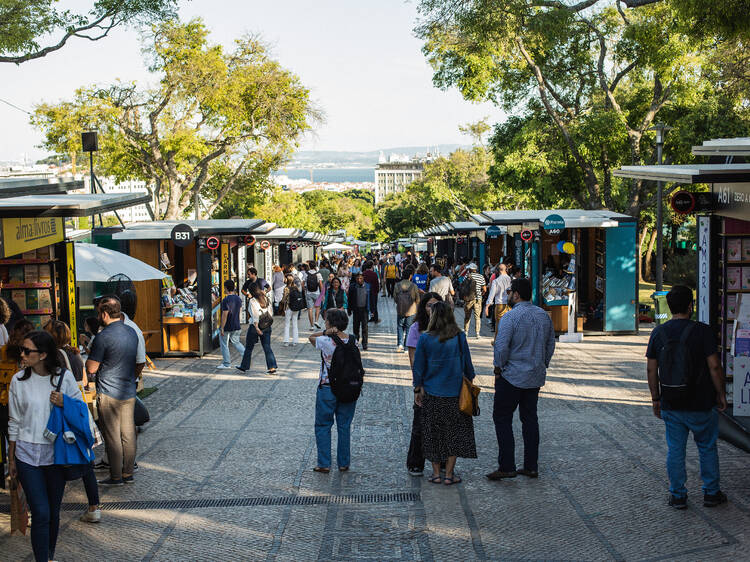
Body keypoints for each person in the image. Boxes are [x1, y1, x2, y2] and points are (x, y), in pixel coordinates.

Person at [645, 285, 728, 509]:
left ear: (670, 307)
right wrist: (721, 394)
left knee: (675, 450)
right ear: (691, 306)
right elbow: (714, 367)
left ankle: (678, 495)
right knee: (707, 447)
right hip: (702, 402)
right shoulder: (703, 331)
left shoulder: (658, 333)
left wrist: (656, 398)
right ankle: (711, 493)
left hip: (672, 402)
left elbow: (652, 369)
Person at [7, 330, 83, 561]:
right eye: (22, 349)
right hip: (26, 454)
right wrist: (11, 459)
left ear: (42, 355)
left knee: (52, 510)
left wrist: (65, 402)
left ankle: (49, 554)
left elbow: (81, 412)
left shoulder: (63, 378)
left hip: (56, 453)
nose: (22, 354)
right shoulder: (18, 381)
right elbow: (14, 422)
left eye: (27, 351)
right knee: (40, 512)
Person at [488, 278, 555, 481]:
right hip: (534, 376)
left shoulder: (510, 318)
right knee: (530, 420)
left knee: (502, 418)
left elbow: (501, 348)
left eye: (509, 292)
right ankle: (531, 465)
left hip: (512, 376)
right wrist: (543, 364)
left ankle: (507, 465)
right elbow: (550, 344)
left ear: (516, 294)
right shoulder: (543, 316)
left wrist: (498, 369)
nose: (507, 295)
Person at [412, 302, 477, 485]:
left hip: (432, 393)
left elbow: (418, 367)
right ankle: (449, 474)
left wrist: (418, 388)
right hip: (455, 394)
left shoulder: (425, 339)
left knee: (433, 434)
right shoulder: (459, 337)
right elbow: (468, 366)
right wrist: (469, 381)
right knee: (453, 434)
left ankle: (436, 474)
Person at [86, 296, 139, 487]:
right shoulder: (131, 332)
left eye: (99, 312)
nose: (98, 316)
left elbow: (91, 368)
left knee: (112, 435)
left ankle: (116, 476)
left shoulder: (103, 337)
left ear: (105, 314)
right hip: (128, 390)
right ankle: (128, 473)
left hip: (109, 391)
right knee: (128, 434)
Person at [309, 309, 358, 473]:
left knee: (323, 425)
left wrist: (325, 332)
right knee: (344, 426)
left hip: (328, 387)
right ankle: (344, 463)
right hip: (349, 388)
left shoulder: (325, 340)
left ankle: (324, 463)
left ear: (331, 323)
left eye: (326, 321)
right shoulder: (353, 340)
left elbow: (310, 338)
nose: (325, 322)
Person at [405, 292, 442, 476]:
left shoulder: (447, 329)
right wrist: (418, 386)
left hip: (443, 385)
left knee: (442, 425)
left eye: (436, 305)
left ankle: (442, 462)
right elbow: (413, 360)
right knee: (420, 424)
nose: (432, 309)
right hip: (425, 384)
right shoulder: (416, 329)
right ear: (423, 307)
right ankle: (415, 462)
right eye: (429, 305)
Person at [237, 283, 278, 375]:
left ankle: (244, 366)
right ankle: (272, 367)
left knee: (249, 347)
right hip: (267, 326)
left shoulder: (253, 301)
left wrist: (257, 327)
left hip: (255, 327)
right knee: (267, 347)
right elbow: (270, 312)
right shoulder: (266, 299)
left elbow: (255, 315)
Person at [218, 280, 246, 369]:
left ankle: (226, 363)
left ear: (226, 288)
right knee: (236, 342)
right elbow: (240, 311)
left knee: (224, 344)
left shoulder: (225, 300)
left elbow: (224, 314)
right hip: (236, 324)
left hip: (227, 325)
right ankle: (246, 356)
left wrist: (222, 327)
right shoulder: (238, 298)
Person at [393, 269, 420, 353]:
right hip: (411, 310)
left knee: (400, 326)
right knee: (409, 327)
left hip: (400, 309)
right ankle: (406, 347)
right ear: (410, 276)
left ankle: (400, 344)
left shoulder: (397, 285)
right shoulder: (413, 286)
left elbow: (395, 298)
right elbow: (417, 299)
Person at [486, 264, 512, 340]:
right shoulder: (509, 279)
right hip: (509, 304)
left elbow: (492, 294)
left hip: (499, 304)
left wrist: (487, 305)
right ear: (505, 269)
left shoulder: (496, 281)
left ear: (497, 271)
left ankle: (497, 340)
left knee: (499, 324)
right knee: (509, 323)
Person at [461, 263, 487, 338]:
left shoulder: (467, 276)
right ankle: (477, 333)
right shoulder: (481, 276)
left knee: (467, 316)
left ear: (470, 269)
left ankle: (466, 332)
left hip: (469, 299)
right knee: (477, 316)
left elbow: (463, 286)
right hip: (477, 299)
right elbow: (484, 289)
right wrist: (481, 294)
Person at [347, 272, 371, 351]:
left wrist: (372, 310)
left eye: (360, 278)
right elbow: (349, 299)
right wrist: (349, 309)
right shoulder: (353, 287)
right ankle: (356, 342)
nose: (359, 280)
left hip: (364, 310)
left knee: (365, 328)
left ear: (363, 278)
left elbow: (372, 298)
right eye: (357, 278)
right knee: (355, 327)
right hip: (356, 309)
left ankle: (365, 344)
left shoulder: (368, 286)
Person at [281, 274, 303, 346]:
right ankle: (295, 341)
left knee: (287, 324)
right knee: (295, 324)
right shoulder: (296, 287)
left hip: (288, 307)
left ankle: (286, 341)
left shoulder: (286, 288)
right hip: (296, 307)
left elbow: (284, 300)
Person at [305, 261, 324, 330]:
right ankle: (316, 321)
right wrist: (322, 294)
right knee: (317, 307)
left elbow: (304, 285)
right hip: (317, 293)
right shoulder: (318, 274)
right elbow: (321, 285)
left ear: (309, 266)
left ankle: (311, 326)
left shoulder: (306, 274)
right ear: (315, 266)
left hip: (308, 293)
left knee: (310, 309)